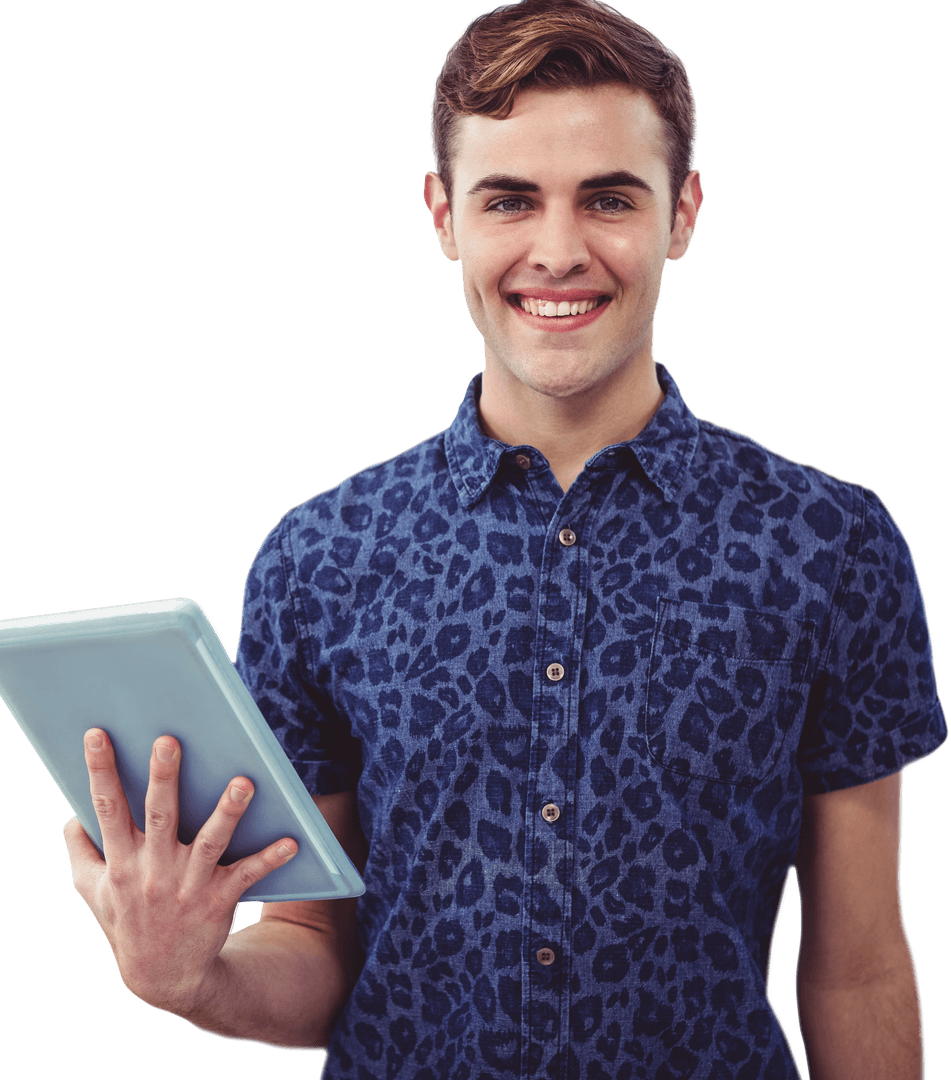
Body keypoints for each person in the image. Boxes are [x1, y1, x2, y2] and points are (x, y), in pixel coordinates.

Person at [63, 1, 947, 1077]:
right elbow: (315, 948)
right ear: (444, 218)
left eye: (610, 198)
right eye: (510, 200)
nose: (559, 251)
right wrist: (190, 976)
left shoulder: (828, 544)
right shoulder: (321, 558)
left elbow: (855, 967)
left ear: (683, 214)